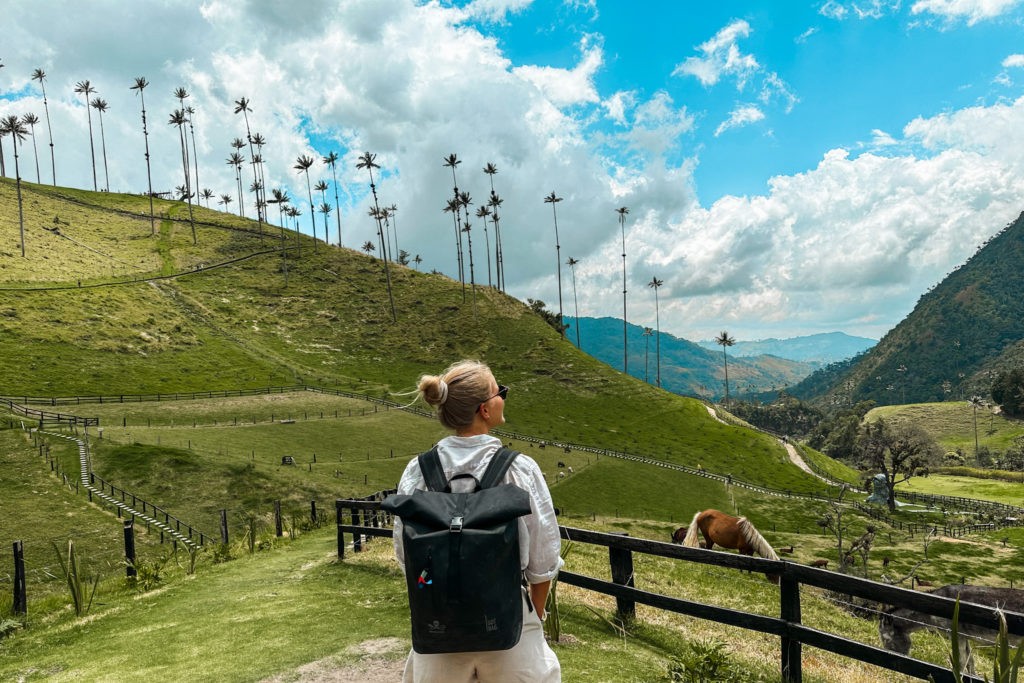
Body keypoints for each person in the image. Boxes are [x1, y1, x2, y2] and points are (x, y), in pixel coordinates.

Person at [392, 359, 562, 683]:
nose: (503, 398)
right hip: (508, 630)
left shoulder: (417, 473)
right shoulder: (520, 470)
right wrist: (531, 620)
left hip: (439, 633)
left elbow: (406, 558)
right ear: (485, 409)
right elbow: (543, 564)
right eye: (501, 392)